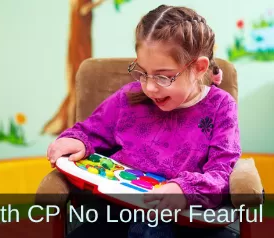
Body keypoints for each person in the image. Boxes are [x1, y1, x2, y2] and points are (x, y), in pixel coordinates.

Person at [47, 4, 241, 238]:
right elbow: (90, 131)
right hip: (118, 211)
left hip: (183, 218)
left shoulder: (221, 106)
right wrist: (77, 140)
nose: (149, 87)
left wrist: (183, 189)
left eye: (163, 76)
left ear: (199, 68)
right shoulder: (129, 97)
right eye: (142, 73)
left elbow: (221, 172)